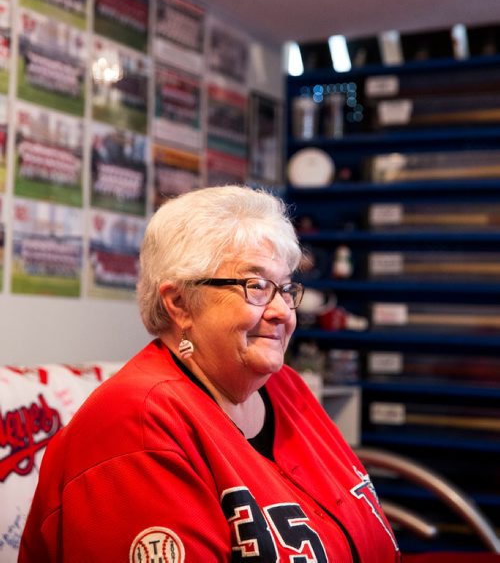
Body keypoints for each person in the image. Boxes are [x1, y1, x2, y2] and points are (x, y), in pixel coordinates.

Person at [19, 185, 401, 562]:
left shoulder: (287, 387)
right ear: (180, 304)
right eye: (256, 286)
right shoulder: (136, 426)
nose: (283, 311)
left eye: (285, 289)